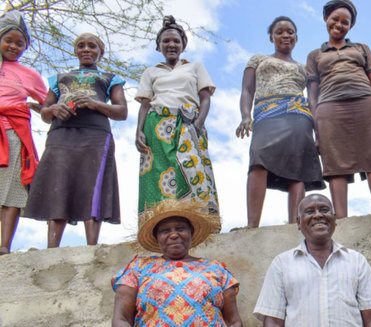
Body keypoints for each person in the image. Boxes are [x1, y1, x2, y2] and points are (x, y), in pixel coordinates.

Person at [25, 33, 126, 248]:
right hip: (61, 135)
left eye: (92, 46)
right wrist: (52, 109)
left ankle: (92, 246)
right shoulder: (59, 78)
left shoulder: (110, 78)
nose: (86, 49)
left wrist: (94, 103)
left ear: (101, 52)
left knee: (94, 184)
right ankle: (52, 248)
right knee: (58, 183)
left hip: (96, 135)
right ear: (75, 51)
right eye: (81, 46)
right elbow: (44, 112)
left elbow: (121, 111)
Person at [306, 0, 371, 218]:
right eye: (335, 19)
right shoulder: (315, 55)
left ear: (350, 26)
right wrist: (315, 126)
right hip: (329, 108)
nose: (339, 24)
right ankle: (341, 219)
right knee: (335, 162)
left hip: (366, 102)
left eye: (345, 22)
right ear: (326, 19)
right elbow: (312, 93)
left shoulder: (361, 48)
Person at [236, 16, 324, 226]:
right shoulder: (257, 59)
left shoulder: (304, 68)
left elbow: (314, 100)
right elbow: (247, 90)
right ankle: (252, 226)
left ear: (296, 37)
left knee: (297, 167)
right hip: (266, 112)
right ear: (271, 37)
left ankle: (295, 225)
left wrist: (319, 133)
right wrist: (245, 115)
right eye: (280, 32)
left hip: (299, 115)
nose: (285, 35)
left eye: (290, 32)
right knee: (258, 160)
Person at [253, 194, 371, 326]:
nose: (318, 215)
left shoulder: (357, 261)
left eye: (324, 210)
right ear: (299, 222)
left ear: (334, 219)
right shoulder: (281, 264)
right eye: (310, 211)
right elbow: (273, 321)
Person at [111, 199, 241, 326]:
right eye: (165, 231)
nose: (173, 235)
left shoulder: (216, 269)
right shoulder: (137, 268)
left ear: (191, 233)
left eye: (180, 228)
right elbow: (121, 319)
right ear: (157, 238)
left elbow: (233, 321)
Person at [136, 16, 219, 213]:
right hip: (156, 127)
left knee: (193, 171)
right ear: (159, 46)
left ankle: (199, 220)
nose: (171, 44)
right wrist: (139, 130)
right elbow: (145, 104)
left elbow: (205, 98)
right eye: (166, 41)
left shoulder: (194, 66)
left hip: (188, 122)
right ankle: (160, 223)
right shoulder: (151, 72)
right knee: (158, 175)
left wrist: (197, 125)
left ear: (183, 45)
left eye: (176, 41)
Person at [0, 11, 47, 255]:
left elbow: (48, 102)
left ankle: (5, 246)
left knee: (11, 192)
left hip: (13, 135)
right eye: (9, 40)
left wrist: (38, 107)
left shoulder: (29, 75)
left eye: (20, 43)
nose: (14, 46)